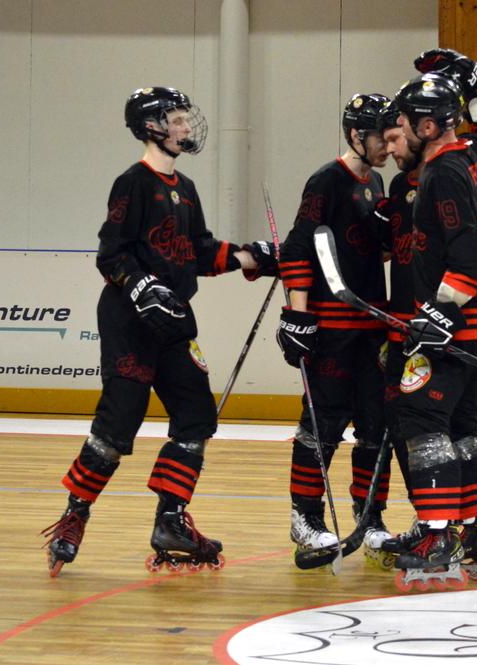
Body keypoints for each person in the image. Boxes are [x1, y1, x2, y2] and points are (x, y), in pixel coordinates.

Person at [40, 86, 277, 577]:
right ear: (152, 126)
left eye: (186, 118)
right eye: (177, 118)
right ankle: (74, 516)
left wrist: (251, 256)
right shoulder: (132, 183)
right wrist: (140, 284)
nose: (187, 126)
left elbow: (200, 251)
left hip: (173, 322)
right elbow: (111, 253)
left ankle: (170, 520)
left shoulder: (185, 188)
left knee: (197, 416)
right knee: (118, 423)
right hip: (129, 321)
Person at [371, 72, 477, 582]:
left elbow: (470, 259)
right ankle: (476, 530)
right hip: (476, 323)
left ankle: (438, 532)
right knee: (465, 423)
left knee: (421, 417)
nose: (394, 137)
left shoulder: (442, 173)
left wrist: (440, 312)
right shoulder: (471, 156)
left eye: (400, 127)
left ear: (425, 127)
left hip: (458, 324)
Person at [275, 93, 391, 563]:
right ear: (356, 135)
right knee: (321, 427)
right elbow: (297, 249)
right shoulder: (326, 180)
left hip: (372, 326)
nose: (388, 145)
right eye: (381, 136)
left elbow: (371, 252)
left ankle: (371, 516)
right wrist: (298, 315)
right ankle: (305, 517)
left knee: (376, 428)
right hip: (332, 328)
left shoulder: (377, 181)